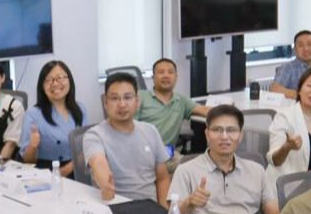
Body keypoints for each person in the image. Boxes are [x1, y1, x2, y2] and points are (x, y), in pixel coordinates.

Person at [171, 105, 281, 214]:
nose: (224, 136)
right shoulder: (186, 171)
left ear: (241, 135)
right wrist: (189, 203)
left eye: (231, 130)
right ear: (207, 134)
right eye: (217, 130)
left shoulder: (257, 171)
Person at [83, 72, 171, 206]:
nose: (122, 104)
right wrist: (105, 182)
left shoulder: (150, 131)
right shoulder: (94, 135)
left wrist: (164, 211)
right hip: (116, 207)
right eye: (114, 98)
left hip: (151, 209)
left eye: (128, 97)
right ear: (105, 103)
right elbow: (98, 162)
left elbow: (162, 178)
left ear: (137, 101)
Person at [20, 59, 84, 177]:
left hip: (76, 170)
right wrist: (33, 146)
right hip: (45, 173)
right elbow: (27, 160)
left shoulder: (80, 109)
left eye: (60, 78)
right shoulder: (32, 114)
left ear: (69, 80)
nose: (55, 83)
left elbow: (86, 148)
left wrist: (66, 170)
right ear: (42, 86)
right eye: (48, 80)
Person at [137, 57, 204, 153]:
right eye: (161, 72)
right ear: (153, 77)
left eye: (170, 72)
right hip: (142, 153)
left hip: (167, 155)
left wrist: (225, 110)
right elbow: (126, 129)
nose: (166, 76)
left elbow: (204, 110)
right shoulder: (139, 97)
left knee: (198, 162)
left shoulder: (181, 100)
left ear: (176, 77)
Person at [268, 30, 311, 95]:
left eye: (309, 44)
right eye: (301, 45)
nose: (306, 49)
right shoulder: (287, 68)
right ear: (294, 50)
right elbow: (274, 89)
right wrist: (302, 95)